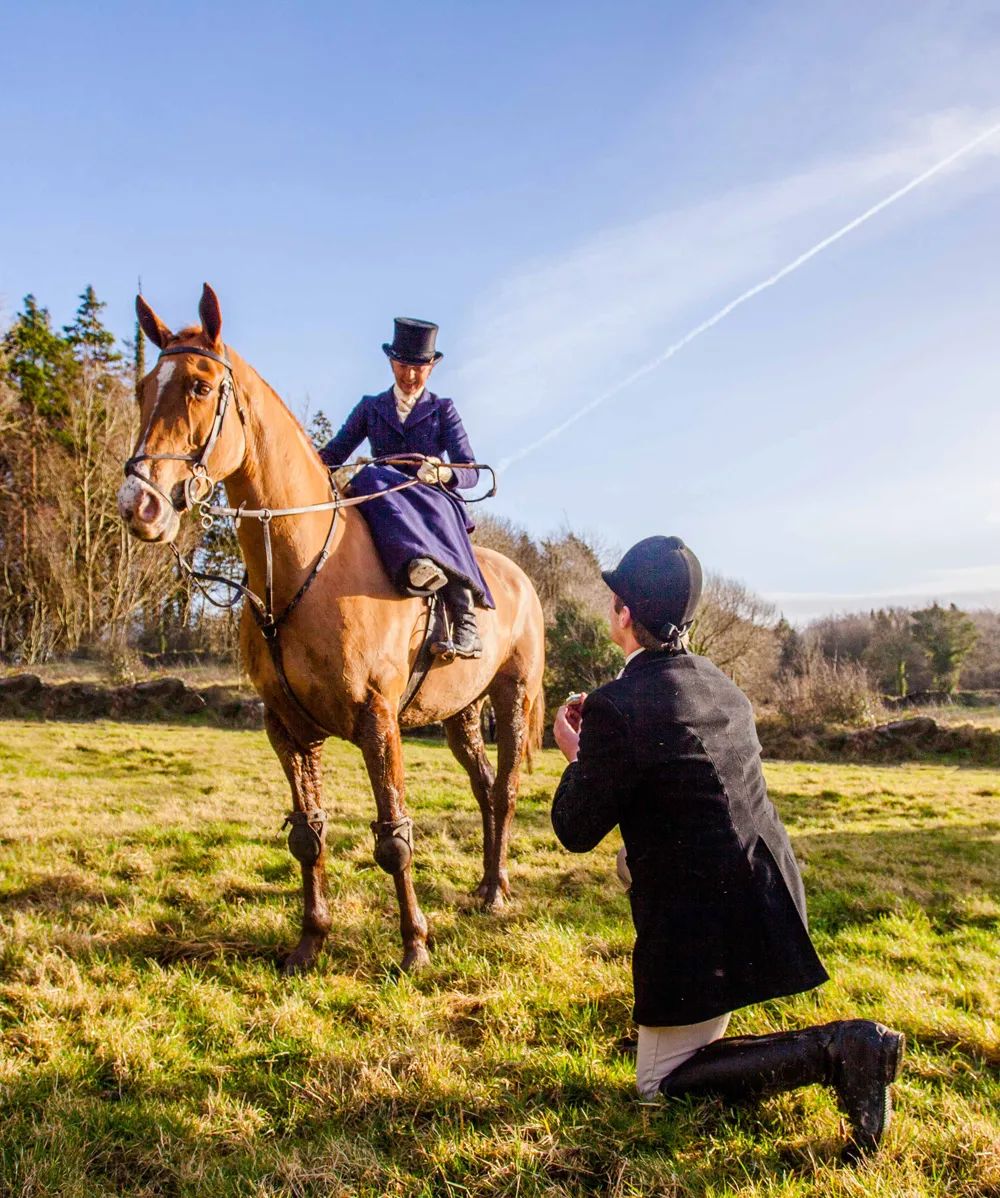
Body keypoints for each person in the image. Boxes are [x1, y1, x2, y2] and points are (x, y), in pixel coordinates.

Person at [549, 535, 904, 1161]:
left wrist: (579, 755)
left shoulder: (616, 707)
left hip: (703, 916)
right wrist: (605, 741)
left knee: (659, 1085)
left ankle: (845, 1050)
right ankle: (819, 1044)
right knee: (636, 876)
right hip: (763, 893)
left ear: (623, 613)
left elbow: (574, 829)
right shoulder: (721, 684)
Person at [319, 317, 492, 659]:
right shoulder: (370, 407)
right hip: (380, 493)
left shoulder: (443, 410)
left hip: (427, 494)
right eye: (403, 366)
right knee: (366, 479)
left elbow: (470, 471)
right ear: (391, 362)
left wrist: (444, 473)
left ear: (431, 368)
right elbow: (334, 454)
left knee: (435, 509)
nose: (410, 376)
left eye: (419, 368)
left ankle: (464, 616)